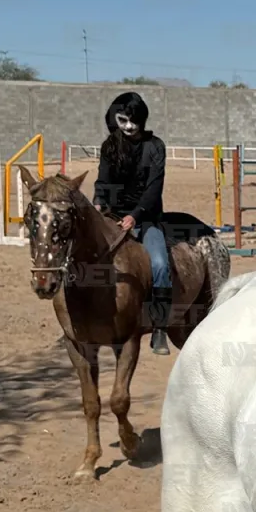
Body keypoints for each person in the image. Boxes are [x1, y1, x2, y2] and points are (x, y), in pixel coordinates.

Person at [92, 92, 172, 354]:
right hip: (113, 216)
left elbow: (154, 187)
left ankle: (159, 327)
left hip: (146, 218)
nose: (128, 126)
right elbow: (103, 180)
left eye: (133, 120)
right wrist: (98, 200)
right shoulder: (110, 145)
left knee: (160, 264)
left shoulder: (155, 146)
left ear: (142, 119)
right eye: (123, 120)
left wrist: (135, 215)